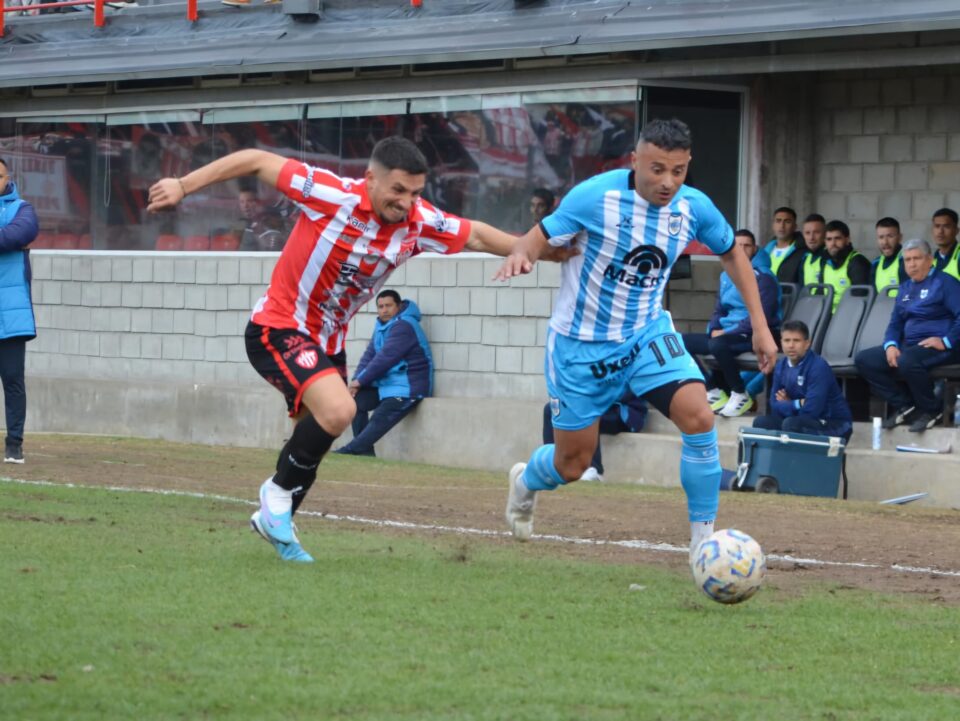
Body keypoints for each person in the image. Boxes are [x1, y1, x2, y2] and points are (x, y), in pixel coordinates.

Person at [148, 136, 567, 563]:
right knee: (340, 411)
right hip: (278, 326)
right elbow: (255, 159)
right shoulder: (331, 194)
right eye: (398, 190)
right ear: (370, 179)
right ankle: (274, 497)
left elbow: (474, 234)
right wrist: (183, 185)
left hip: (329, 342)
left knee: (315, 436)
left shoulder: (419, 221)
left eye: (416, 193)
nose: (406, 203)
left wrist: (544, 251)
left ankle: (278, 522)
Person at [494, 118, 778, 563]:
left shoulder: (693, 207)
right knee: (574, 463)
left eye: (678, 171)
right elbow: (536, 238)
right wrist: (522, 256)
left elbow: (732, 254)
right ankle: (526, 480)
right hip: (580, 347)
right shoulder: (595, 197)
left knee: (699, 416)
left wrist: (760, 327)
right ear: (635, 161)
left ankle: (703, 544)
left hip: (646, 334)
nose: (668, 182)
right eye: (657, 169)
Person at [855, 238, 960, 432]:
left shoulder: (946, 283)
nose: (911, 264)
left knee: (907, 360)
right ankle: (905, 404)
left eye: (917, 259)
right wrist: (891, 345)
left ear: (930, 260)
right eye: (907, 260)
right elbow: (895, 323)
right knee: (864, 360)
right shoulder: (905, 288)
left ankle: (932, 409)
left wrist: (946, 341)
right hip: (910, 346)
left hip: (941, 346)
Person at [683, 229, 780, 418]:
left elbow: (763, 316)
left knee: (718, 344)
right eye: (738, 246)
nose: (741, 250)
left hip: (754, 334)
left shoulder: (764, 277)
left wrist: (728, 332)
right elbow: (719, 309)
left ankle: (740, 393)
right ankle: (712, 390)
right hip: (726, 334)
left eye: (747, 246)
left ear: (755, 249)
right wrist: (715, 328)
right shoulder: (726, 275)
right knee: (679, 342)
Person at [335, 290, 432, 457]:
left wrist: (360, 381)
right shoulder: (382, 326)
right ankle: (365, 453)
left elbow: (385, 358)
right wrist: (357, 381)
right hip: (388, 386)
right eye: (380, 307)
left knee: (380, 416)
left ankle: (351, 450)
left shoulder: (404, 325)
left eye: (388, 306)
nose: (384, 310)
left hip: (408, 389)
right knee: (355, 402)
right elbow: (369, 356)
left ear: (399, 306)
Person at [752, 320, 853, 439]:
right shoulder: (781, 366)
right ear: (781, 342)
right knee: (761, 423)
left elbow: (812, 410)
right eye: (787, 340)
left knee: (791, 424)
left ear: (807, 344)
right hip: (799, 420)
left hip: (833, 424)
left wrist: (788, 404)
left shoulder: (818, 366)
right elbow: (774, 405)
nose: (791, 345)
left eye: (796, 340)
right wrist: (798, 403)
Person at [0, 157, 39, 464]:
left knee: (13, 380)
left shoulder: (23, 209)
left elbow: (17, 234)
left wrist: (9, 238)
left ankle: (14, 443)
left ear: (7, 177)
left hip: (11, 314)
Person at [541, 390, 647, 481]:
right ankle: (552, 466)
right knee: (552, 408)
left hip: (625, 412)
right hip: (598, 407)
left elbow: (616, 391)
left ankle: (594, 470)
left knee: (586, 411)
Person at [822, 219, 870, 313]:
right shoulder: (824, 262)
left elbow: (859, 301)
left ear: (847, 240)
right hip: (827, 315)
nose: (833, 243)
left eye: (837, 238)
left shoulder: (857, 262)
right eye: (829, 239)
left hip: (849, 316)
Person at [761, 206, 804, 283]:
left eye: (787, 222)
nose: (782, 226)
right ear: (773, 225)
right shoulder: (765, 251)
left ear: (795, 226)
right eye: (778, 221)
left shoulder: (802, 252)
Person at [870, 216, 906, 294]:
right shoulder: (875, 263)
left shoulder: (907, 261)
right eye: (881, 237)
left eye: (890, 236)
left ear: (900, 238)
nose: (885, 242)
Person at [931, 208, 960, 281]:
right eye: (937, 226)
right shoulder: (932, 260)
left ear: (956, 230)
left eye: (946, 226)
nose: (940, 231)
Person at [799, 213, 827, 286]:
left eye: (816, 232)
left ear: (825, 234)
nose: (811, 237)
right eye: (807, 233)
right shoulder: (804, 258)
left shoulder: (830, 259)